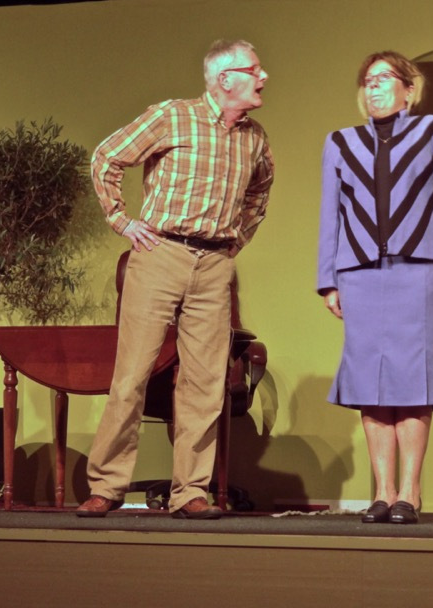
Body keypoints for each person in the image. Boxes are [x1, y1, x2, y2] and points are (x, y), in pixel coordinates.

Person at [77, 39, 275, 519]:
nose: (263, 77)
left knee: (204, 383)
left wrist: (236, 241)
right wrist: (122, 221)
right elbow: (106, 157)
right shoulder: (173, 116)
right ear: (225, 78)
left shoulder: (255, 137)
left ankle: (190, 492)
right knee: (132, 376)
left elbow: (260, 191)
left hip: (215, 264)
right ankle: (107, 485)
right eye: (254, 70)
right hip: (160, 253)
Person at [317, 51, 433, 525]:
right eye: (367, 80)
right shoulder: (341, 142)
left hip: (420, 272)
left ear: (410, 89)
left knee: (413, 382)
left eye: (385, 77)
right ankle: (382, 492)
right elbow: (331, 213)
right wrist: (328, 280)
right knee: (370, 386)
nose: (374, 86)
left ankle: (410, 491)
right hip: (360, 274)